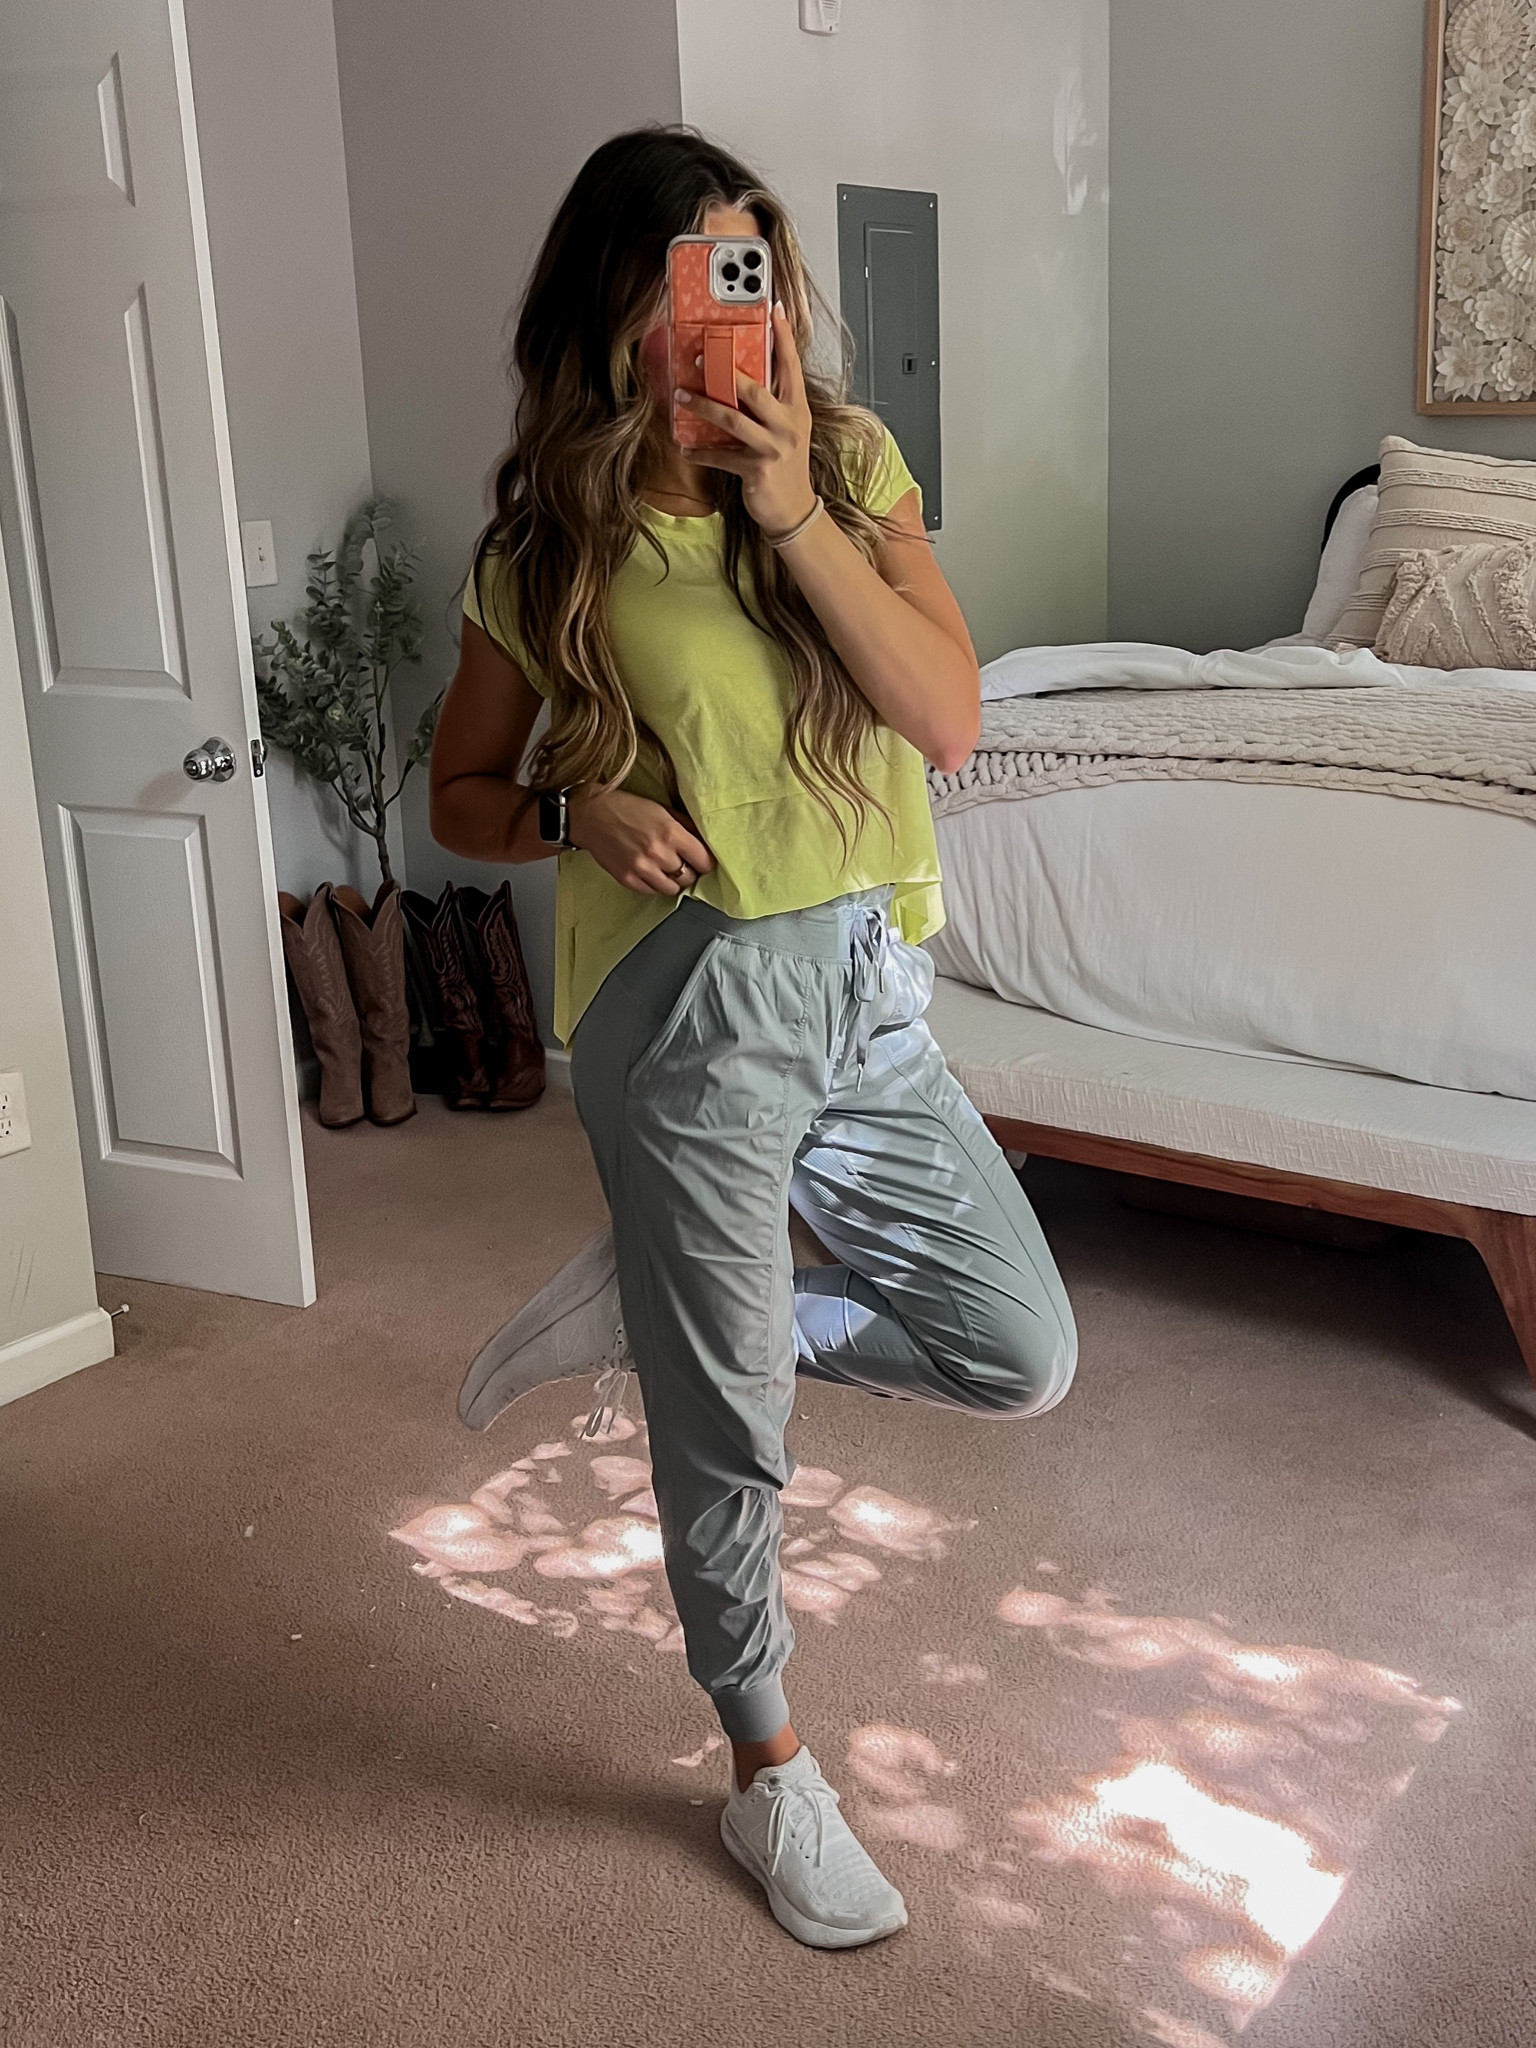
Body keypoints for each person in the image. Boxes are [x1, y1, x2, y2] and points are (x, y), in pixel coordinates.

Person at [429, 127, 1077, 1951]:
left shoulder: (850, 468)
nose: (738, 317)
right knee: (733, 1441)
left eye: (756, 277)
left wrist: (790, 507)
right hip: (692, 1002)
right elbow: (460, 797)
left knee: (1020, 1350)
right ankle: (768, 1767)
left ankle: (662, 1315)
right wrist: (579, 815)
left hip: (868, 986)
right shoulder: (548, 542)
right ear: (614, 309)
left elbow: (943, 719)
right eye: (694, 284)